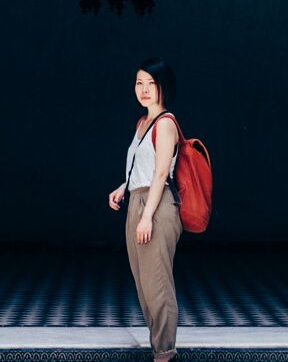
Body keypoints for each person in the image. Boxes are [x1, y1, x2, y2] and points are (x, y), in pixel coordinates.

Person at [107, 59, 182, 361]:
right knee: (143, 284)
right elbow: (142, 167)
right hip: (138, 201)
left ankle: (164, 353)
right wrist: (124, 187)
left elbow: (161, 174)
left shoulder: (165, 123)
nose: (144, 89)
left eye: (151, 83)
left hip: (157, 204)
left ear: (164, 86)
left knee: (157, 284)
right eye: (139, 82)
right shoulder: (143, 123)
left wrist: (147, 216)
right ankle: (159, 349)